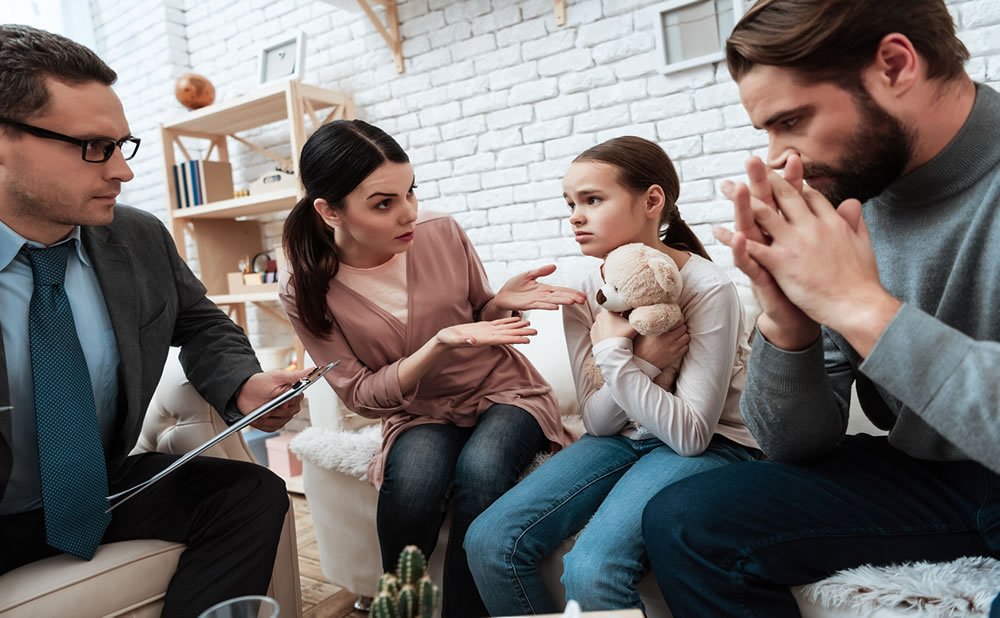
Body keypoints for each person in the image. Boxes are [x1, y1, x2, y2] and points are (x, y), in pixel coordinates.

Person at [640, 1, 1000, 616]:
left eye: (792, 121)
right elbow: (794, 444)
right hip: (933, 472)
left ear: (894, 64)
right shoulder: (846, 194)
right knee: (684, 519)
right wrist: (789, 326)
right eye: (768, 135)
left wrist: (858, 305)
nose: (782, 161)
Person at [0, 25, 311, 617]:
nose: (123, 171)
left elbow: (199, 322)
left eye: (124, 144)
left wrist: (242, 385)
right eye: (95, 146)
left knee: (252, 494)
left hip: (98, 484)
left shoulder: (137, 236)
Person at [278, 119, 583, 617]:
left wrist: (499, 303)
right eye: (384, 203)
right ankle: (399, 610)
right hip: (418, 410)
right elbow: (359, 394)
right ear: (330, 210)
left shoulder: (441, 233)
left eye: (410, 192)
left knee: (482, 472)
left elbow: (480, 314)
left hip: (503, 390)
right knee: (413, 488)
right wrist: (438, 344)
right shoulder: (305, 287)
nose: (409, 214)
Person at [465, 136, 762, 615]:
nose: (574, 216)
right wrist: (636, 359)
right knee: (488, 540)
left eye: (592, 200)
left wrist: (614, 355)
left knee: (593, 567)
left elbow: (689, 435)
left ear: (651, 201)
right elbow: (599, 423)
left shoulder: (707, 288)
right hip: (624, 435)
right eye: (570, 203)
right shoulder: (584, 289)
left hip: (716, 444)